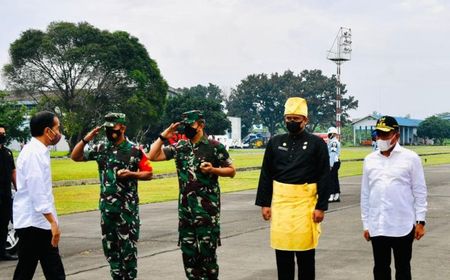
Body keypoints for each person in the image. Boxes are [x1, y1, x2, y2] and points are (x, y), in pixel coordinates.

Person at [148, 110, 236, 280]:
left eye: (191, 125)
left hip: (207, 213)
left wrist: (213, 169)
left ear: (201, 125)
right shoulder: (181, 147)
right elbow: (152, 155)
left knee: (207, 257)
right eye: (185, 126)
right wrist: (164, 135)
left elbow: (231, 171)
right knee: (189, 256)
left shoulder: (214, 147)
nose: (187, 128)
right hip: (186, 212)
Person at [71, 113, 153, 280]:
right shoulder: (101, 148)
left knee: (128, 251)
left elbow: (149, 173)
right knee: (111, 251)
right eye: (107, 129)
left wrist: (131, 174)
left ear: (122, 128)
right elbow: (75, 157)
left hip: (127, 211)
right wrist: (86, 140)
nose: (109, 132)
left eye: (113, 129)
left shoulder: (134, 150)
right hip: (107, 209)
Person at [255, 97, 330, 280]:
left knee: (305, 255)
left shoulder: (317, 144)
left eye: (296, 119)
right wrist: (265, 203)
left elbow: (324, 176)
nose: (292, 122)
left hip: (305, 205)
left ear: (306, 120)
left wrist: (321, 206)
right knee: (283, 253)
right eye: (289, 118)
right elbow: (266, 173)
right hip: (281, 205)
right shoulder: (275, 142)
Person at [361, 116, 427, 280]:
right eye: (378, 134)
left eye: (386, 134)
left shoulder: (410, 158)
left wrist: (421, 221)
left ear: (396, 135)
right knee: (380, 269)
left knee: (403, 268)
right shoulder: (370, 160)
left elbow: (419, 191)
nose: (381, 139)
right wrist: (366, 224)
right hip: (378, 225)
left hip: (402, 224)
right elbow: (366, 194)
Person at [13, 111, 66, 279]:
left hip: (37, 221)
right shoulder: (33, 154)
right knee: (45, 269)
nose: (59, 133)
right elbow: (37, 191)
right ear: (47, 131)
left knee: (33, 268)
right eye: (57, 128)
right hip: (34, 223)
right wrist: (52, 222)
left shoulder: (38, 151)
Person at [0, 124, 18, 261]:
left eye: (3, 134)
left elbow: (13, 172)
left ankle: (2, 252)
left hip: (6, 193)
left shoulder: (7, 153)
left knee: (4, 223)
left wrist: (18, 188)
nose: (2, 136)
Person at [327, 126, 341, 202]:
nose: (328, 136)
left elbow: (332, 154)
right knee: (335, 178)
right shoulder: (333, 142)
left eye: (330, 134)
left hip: (333, 162)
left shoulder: (334, 142)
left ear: (333, 134)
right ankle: (337, 194)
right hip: (336, 162)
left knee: (331, 179)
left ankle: (331, 195)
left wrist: (330, 165)